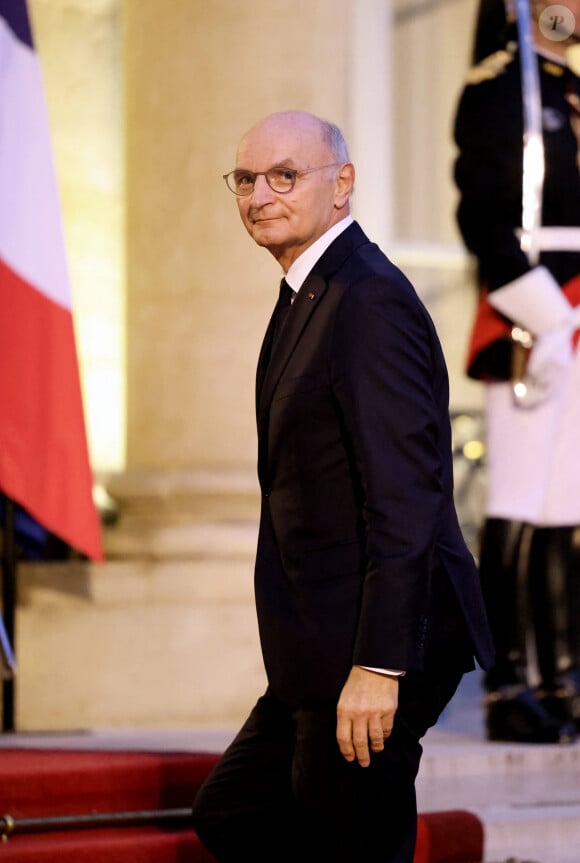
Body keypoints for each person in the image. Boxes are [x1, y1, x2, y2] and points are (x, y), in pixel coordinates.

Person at [191, 110, 494, 863]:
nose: (260, 195)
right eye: (246, 179)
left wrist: (379, 665)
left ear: (342, 184)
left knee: (347, 842)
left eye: (285, 175)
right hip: (320, 649)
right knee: (235, 811)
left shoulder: (367, 299)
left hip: (375, 646)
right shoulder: (309, 290)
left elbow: (405, 494)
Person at [453, 0, 580, 743]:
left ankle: (560, 675)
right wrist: (544, 315)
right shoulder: (502, 88)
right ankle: (506, 685)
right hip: (536, 313)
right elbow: (484, 216)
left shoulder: (568, 89)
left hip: (577, 314)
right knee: (520, 497)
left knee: (565, 504)